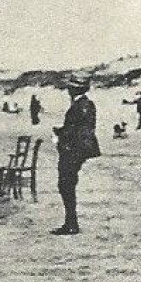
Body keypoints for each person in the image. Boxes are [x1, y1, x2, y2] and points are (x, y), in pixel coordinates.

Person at [51, 77, 100, 235]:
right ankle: (70, 222)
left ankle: (71, 223)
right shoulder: (86, 105)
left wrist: (61, 134)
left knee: (66, 184)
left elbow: (76, 130)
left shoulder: (80, 106)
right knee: (67, 184)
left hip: (74, 150)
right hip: (79, 149)